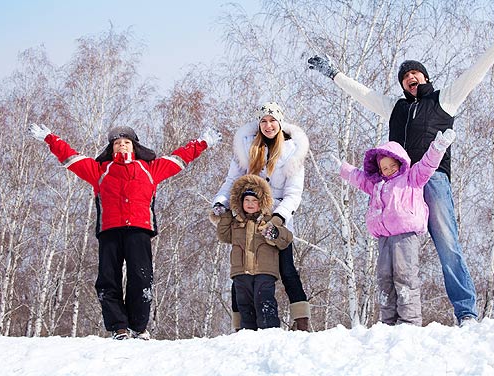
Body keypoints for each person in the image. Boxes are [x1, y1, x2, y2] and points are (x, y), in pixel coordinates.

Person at [308, 11, 494, 326]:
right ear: (402, 85)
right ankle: (395, 317)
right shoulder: (394, 108)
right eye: (404, 76)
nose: (410, 77)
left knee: (446, 241)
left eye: (415, 74)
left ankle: (466, 312)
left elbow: (476, 73)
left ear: (424, 78)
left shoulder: (444, 100)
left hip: (432, 178)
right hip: (399, 186)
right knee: (394, 252)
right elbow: (363, 94)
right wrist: (334, 74)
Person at [28, 122, 222, 340]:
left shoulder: (150, 169)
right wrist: (49, 138)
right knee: (107, 278)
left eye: (126, 143)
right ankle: (118, 327)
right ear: (111, 149)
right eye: (117, 143)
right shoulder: (99, 170)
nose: (122, 146)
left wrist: (204, 141)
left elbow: (180, 158)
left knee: (141, 278)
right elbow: (71, 158)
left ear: (134, 146)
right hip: (109, 230)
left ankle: (138, 327)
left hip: (139, 230)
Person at [336, 130, 455, 325]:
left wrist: (438, 147)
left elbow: (427, 164)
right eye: (384, 167)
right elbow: (359, 178)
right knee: (385, 278)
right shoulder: (377, 185)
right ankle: (388, 320)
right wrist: (343, 168)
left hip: (405, 236)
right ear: (380, 169)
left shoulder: (411, 178)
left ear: (400, 163)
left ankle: (409, 320)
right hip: (384, 237)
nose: (389, 169)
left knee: (404, 274)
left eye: (392, 165)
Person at [212, 102, 311, 331]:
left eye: (273, 121)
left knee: (286, 269)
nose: (268, 125)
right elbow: (231, 181)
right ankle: (239, 326)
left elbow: (293, 193)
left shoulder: (293, 151)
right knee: (241, 269)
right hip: (249, 215)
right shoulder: (246, 148)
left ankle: (301, 321)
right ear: (258, 124)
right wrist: (220, 202)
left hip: (277, 217)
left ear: (280, 123)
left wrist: (278, 218)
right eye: (264, 121)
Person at [214, 174, 293, 330]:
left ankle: (269, 331)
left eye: (254, 201)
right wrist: (225, 215)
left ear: (261, 203)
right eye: (247, 200)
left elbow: (286, 239)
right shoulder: (237, 223)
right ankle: (247, 334)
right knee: (244, 303)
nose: (250, 204)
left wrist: (275, 233)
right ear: (241, 202)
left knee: (264, 301)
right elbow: (224, 236)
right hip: (241, 272)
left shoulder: (269, 221)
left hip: (264, 271)